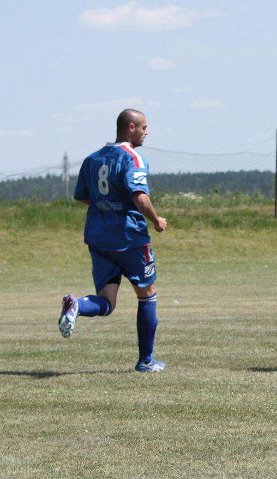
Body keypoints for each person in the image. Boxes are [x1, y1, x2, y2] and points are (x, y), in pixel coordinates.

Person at [57, 109, 167, 372]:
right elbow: (140, 197)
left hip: (98, 237)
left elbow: (83, 197)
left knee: (107, 302)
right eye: (144, 127)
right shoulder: (133, 158)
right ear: (131, 127)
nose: (147, 132)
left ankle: (77, 304)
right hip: (129, 238)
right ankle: (146, 361)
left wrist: (105, 205)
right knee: (147, 296)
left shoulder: (92, 159)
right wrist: (155, 219)